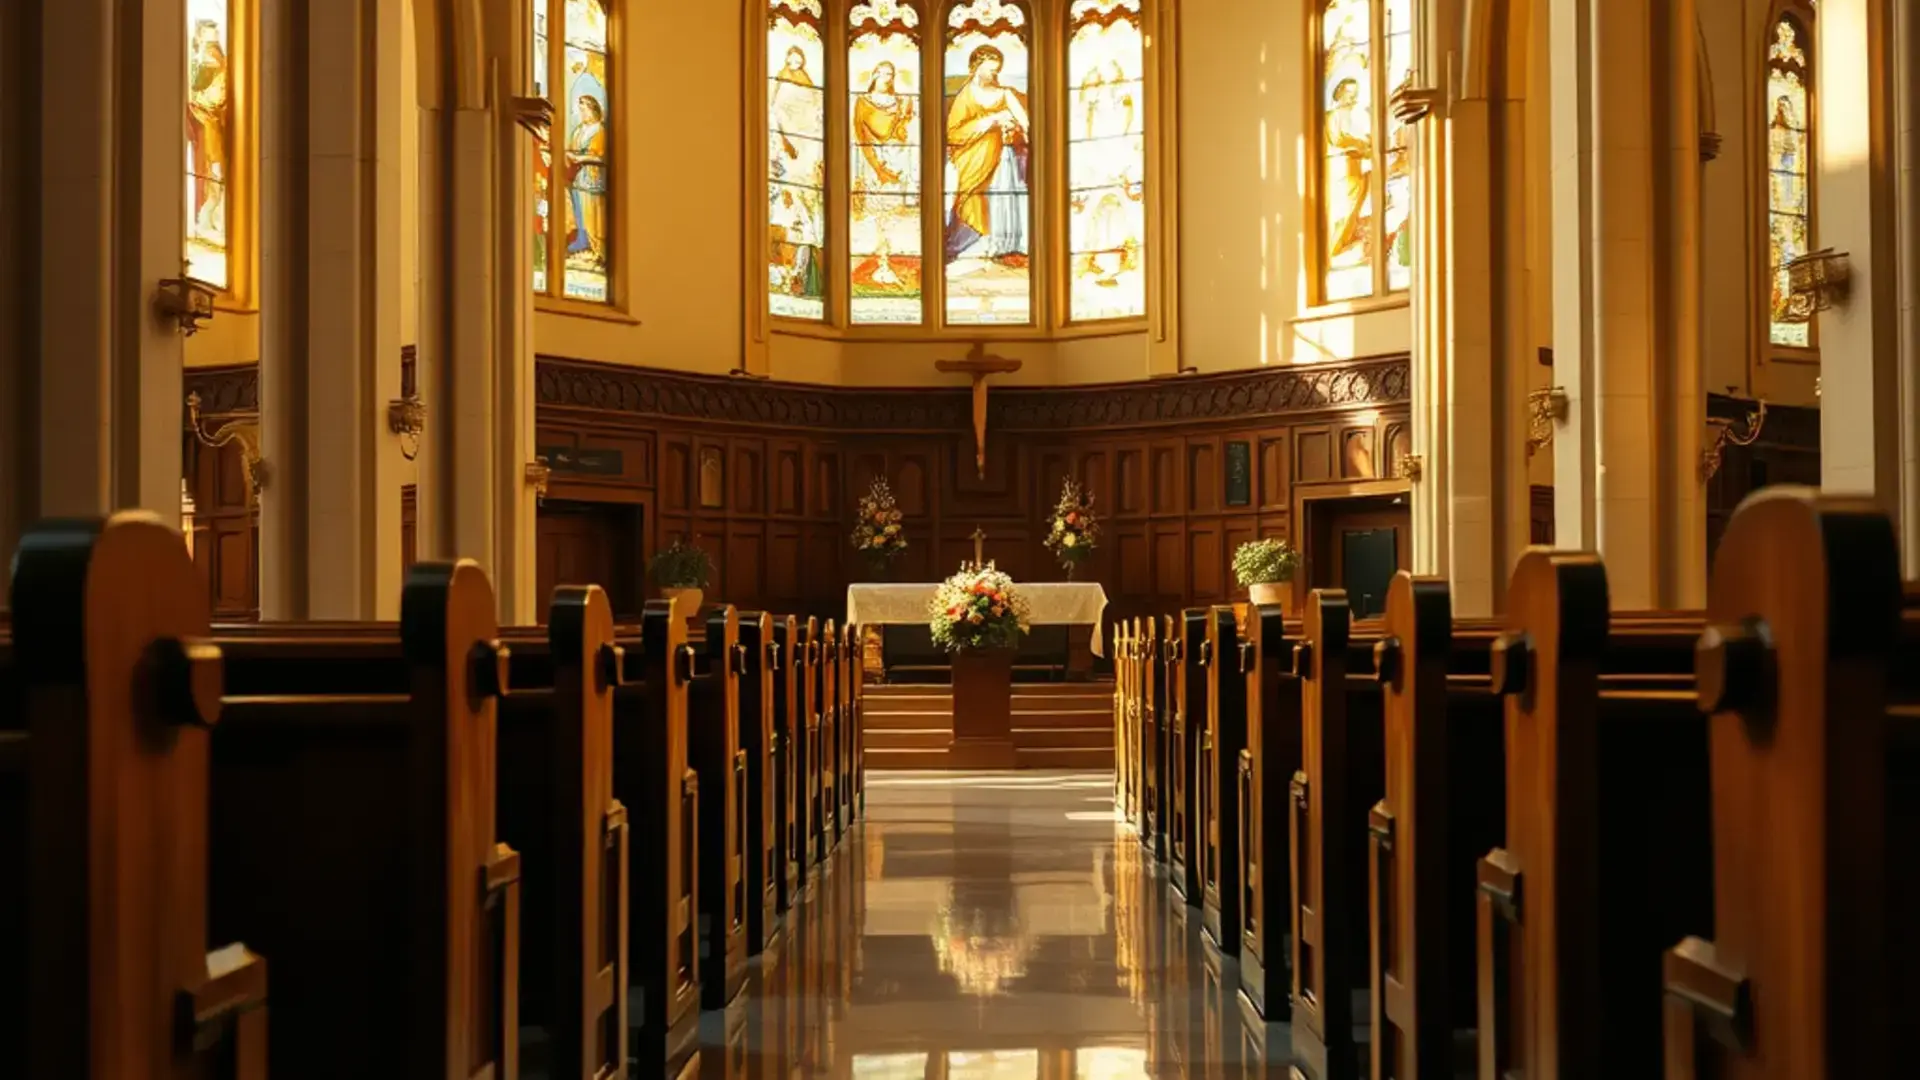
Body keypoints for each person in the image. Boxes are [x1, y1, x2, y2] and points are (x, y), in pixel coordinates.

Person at [944, 44, 1030, 264]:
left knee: (1003, 197)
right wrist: (990, 121)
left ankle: (1002, 242)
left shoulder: (1005, 94)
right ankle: (975, 242)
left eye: (997, 70)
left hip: (1002, 157)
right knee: (975, 197)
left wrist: (1014, 128)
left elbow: (1026, 125)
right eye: (992, 69)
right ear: (976, 66)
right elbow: (954, 133)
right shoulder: (966, 96)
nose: (995, 73)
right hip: (974, 159)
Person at [187, 19, 229, 243]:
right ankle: (204, 223)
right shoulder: (201, 63)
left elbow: (218, 97)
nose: (212, 49)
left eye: (215, 42)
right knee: (211, 177)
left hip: (215, 127)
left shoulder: (221, 65)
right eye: (207, 42)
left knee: (217, 179)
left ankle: (209, 223)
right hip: (204, 127)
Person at [1325, 77, 1372, 263]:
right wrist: (1358, 143)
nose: (1351, 98)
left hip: (1356, 169)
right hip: (1339, 169)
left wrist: (1366, 145)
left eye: (1355, 94)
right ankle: (1332, 247)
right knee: (1340, 210)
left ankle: (1344, 242)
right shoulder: (1332, 116)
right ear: (1339, 93)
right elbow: (1336, 139)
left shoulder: (1356, 118)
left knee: (1353, 209)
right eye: (1348, 94)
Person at [853, 61, 915, 190]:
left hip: (897, 148)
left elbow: (905, 124)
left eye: (890, 75)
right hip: (873, 148)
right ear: (875, 75)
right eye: (883, 74)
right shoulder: (863, 101)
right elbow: (859, 130)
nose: (887, 78)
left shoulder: (898, 101)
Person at [566, 94, 608, 267]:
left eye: (585, 110)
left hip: (593, 179)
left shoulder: (600, 130)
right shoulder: (578, 130)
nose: (582, 114)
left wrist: (581, 158)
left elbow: (601, 157)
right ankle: (587, 246)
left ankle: (599, 250)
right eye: (580, 110)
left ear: (593, 110)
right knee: (581, 214)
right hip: (578, 179)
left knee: (594, 216)